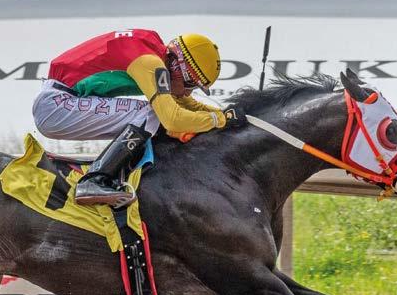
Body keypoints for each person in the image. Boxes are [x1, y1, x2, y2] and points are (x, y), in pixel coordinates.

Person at [33, 29, 245, 207]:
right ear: (178, 67)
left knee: (154, 115)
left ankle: (113, 176)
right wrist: (218, 120)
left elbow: (185, 104)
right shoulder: (150, 63)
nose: (188, 92)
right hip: (56, 104)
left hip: (60, 100)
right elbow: (172, 118)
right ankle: (94, 180)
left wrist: (222, 114)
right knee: (151, 114)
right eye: (190, 84)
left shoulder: (157, 56)